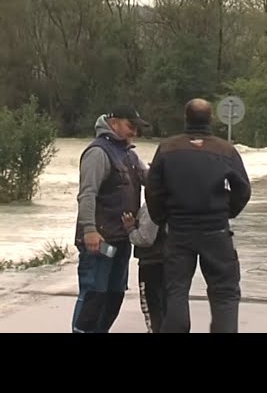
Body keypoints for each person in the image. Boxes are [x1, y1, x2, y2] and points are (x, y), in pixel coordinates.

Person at [145, 98, 251, 333]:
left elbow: (152, 190)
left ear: (186, 118)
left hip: (179, 231)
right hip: (216, 231)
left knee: (176, 290)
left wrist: (163, 218)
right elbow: (243, 189)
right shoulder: (225, 150)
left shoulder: (167, 148)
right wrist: (227, 211)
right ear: (210, 119)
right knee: (224, 292)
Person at [72, 105, 150, 333]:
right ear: (114, 122)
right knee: (94, 294)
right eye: (130, 126)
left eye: (137, 128)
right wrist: (89, 230)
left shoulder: (129, 154)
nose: (134, 132)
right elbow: (87, 194)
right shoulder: (98, 153)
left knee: (114, 294)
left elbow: (150, 179)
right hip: (99, 241)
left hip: (121, 239)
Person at [122, 202, 167, 333]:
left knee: (153, 310)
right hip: (172, 261)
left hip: (152, 263)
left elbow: (145, 239)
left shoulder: (152, 206)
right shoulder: (176, 198)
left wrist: (130, 229)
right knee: (169, 308)